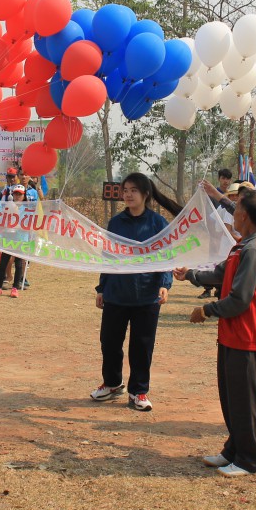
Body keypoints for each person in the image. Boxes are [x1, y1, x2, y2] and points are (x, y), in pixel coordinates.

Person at [175, 190, 256, 477]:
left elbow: (240, 299)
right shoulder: (241, 246)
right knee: (231, 397)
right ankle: (233, 450)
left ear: (245, 215)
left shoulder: (253, 250)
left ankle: (249, 460)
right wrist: (190, 275)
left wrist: (207, 310)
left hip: (246, 335)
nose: (233, 213)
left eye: (237, 208)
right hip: (232, 333)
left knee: (244, 400)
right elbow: (220, 273)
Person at [90, 173, 177, 413]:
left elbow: (166, 256)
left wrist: (164, 283)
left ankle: (138, 391)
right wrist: (102, 288)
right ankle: (112, 383)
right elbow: (108, 257)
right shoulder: (115, 223)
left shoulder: (158, 224)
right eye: (125, 190)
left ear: (145, 194)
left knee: (142, 346)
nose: (128, 195)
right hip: (116, 294)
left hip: (147, 296)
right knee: (109, 342)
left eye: (133, 190)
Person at [0, 185, 29, 299]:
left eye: (20, 194)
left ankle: (15, 288)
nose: (17, 196)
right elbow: (2, 220)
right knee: (3, 262)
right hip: (8, 237)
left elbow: (28, 224)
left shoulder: (27, 209)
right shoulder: (8, 206)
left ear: (24, 196)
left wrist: (17, 226)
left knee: (18, 264)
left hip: (20, 239)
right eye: (16, 194)